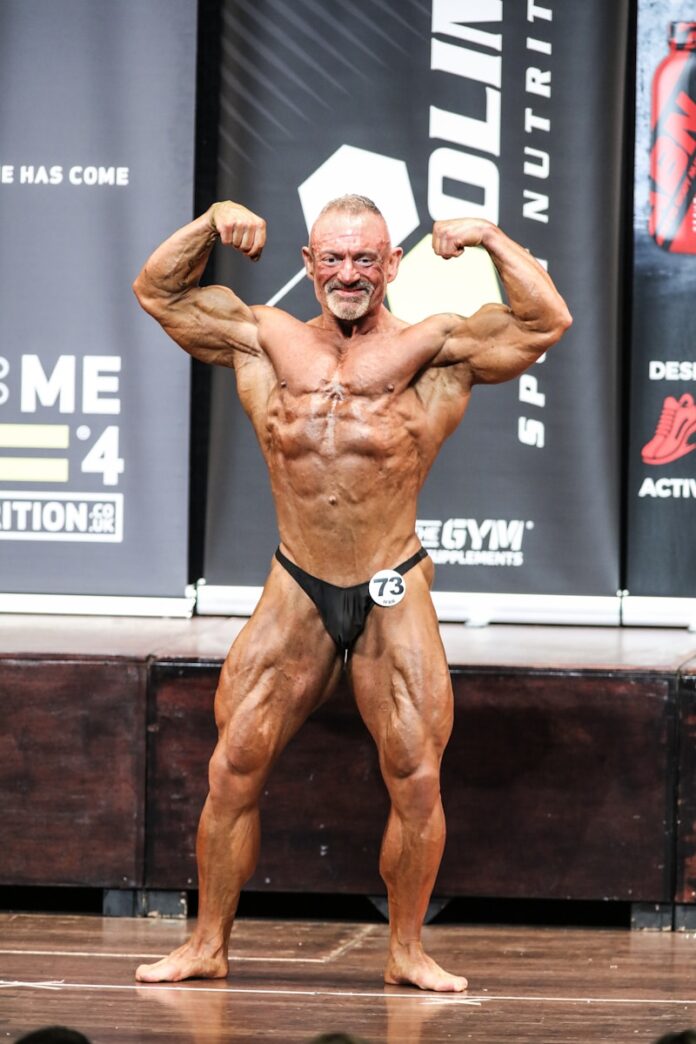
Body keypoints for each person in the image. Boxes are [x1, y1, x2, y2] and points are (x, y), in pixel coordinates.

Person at [132, 194, 571, 991]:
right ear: (308, 262)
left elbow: (545, 323)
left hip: (390, 581)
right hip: (296, 580)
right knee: (233, 766)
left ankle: (405, 950)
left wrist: (491, 238)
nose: (348, 273)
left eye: (365, 258)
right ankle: (207, 945)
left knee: (418, 774)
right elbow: (156, 292)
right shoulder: (264, 337)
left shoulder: (435, 346)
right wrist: (209, 223)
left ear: (391, 264)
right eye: (333, 257)